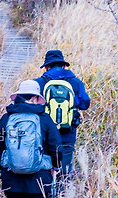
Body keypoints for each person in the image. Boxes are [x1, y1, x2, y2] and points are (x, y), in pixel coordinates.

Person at [35, 48, 90, 182]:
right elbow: (85, 104)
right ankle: (62, 193)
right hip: (67, 134)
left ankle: (46, 192)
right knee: (64, 171)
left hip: (44, 134)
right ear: (64, 66)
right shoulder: (75, 82)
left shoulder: (39, 83)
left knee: (44, 168)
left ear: (46, 67)